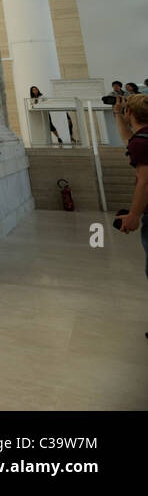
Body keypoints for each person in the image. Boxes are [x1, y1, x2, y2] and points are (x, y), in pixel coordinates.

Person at [113, 95, 148, 328]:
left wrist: (134, 215)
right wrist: (118, 115)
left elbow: (145, 181)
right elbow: (128, 138)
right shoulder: (141, 139)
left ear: (130, 113)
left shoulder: (142, 143)